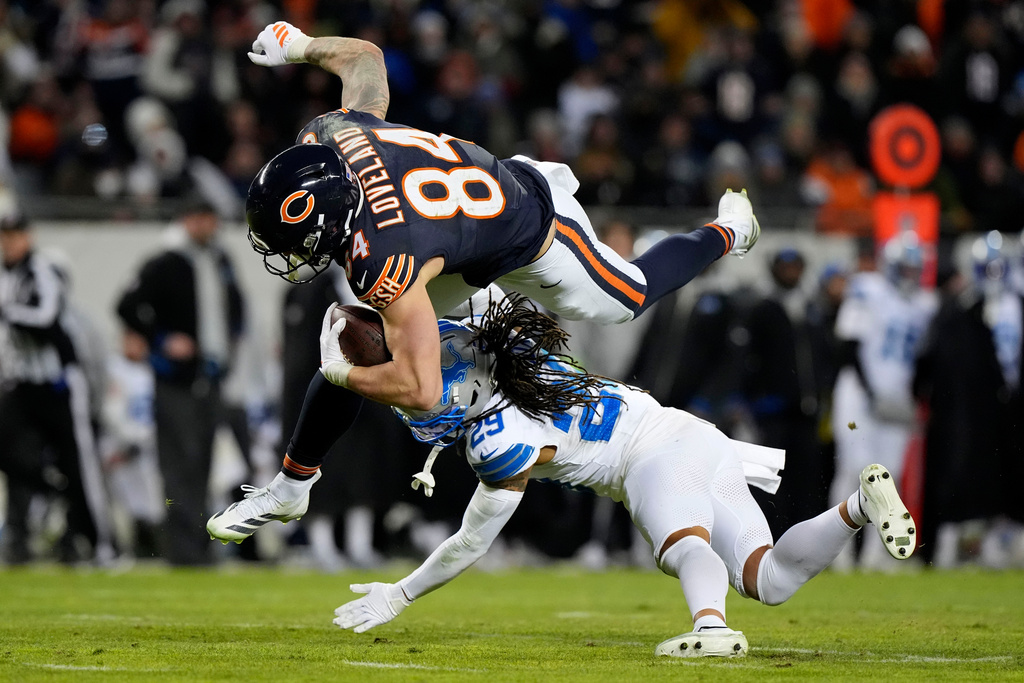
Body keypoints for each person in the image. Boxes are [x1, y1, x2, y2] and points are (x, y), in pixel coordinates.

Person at [207, 21, 760, 542]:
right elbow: (363, 58)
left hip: (531, 228)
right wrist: (301, 44)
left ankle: (728, 229)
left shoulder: (383, 256)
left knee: (628, 295)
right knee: (363, 341)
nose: (286, 256)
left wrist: (342, 375)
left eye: (290, 240)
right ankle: (291, 488)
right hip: (453, 241)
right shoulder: (331, 135)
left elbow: (422, 391)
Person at [329, 295, 917, 658]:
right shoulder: (485, 338)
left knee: (685, 547)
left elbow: (470, 543)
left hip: (651, 456)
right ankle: (859, 509)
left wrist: (401, 593)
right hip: (692, 433)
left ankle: (710, 628)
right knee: (771, 580)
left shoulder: (496, 441)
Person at [116, 198, 245, 566]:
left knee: (205, 462)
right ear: (186, 220)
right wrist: (161, 340)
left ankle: (200, 544)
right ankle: (181, 548)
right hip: (176, 381)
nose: (205, 226)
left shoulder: (219, 262)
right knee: (178, 462)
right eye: (198, 218)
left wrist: (232, 344)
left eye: (209, 218)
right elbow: (127, 305)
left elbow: (237, 308)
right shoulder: (165, 262)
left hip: (211, 375)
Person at [0, 214, 113, 564]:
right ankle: (52, 487)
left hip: (60, 383)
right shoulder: (8, 275)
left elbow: (45, 317)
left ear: (28, 237)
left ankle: (102, 546)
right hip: (22, 384)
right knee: (7, 450)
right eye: (6, 235)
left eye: (16, 235)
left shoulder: (41, 271)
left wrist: (7, 312)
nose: (10, 242)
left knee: (80, 467)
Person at [829, 232, 936, 571]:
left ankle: (878, 557)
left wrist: (912, 398)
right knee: (852, 471)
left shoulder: (923, 304)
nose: (909, 275)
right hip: (859, 394)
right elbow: (847, 345)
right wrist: (871, 392)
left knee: (890, 478)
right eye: (903, 268)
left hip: (896, 398)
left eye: (913, 269)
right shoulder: (867, 289)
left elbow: (922, 360)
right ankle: (839, 554)